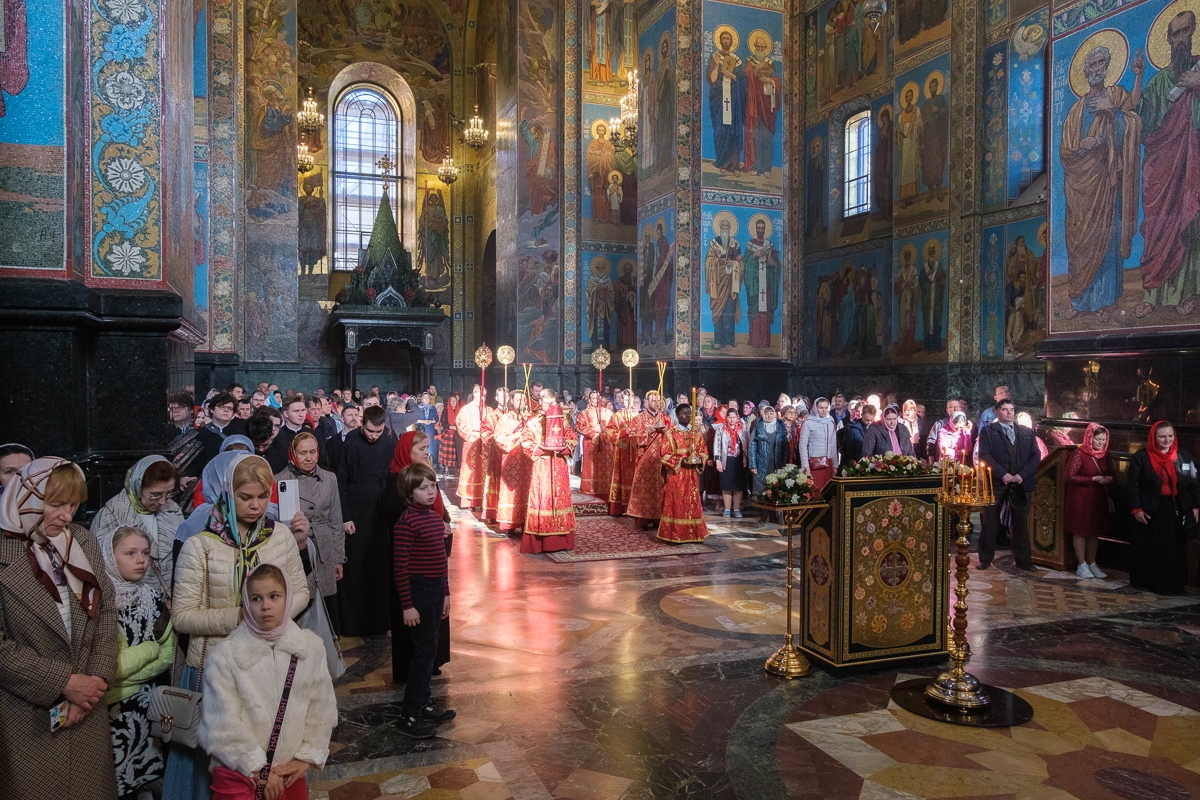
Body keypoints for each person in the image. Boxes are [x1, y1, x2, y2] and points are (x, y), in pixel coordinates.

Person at [165, 454, 309, 800]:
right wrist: (240, 618)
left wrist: (276, 612)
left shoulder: (280, 537)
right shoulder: (201, 545)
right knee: (225, 771)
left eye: (263, 496)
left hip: (270, 666)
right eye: (246, 497)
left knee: (274, 760)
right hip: (216, 669)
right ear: (227, 493)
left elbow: (301, 591)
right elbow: (182, 616)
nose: (256, 506)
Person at [0, 458, 119, 800]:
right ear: (25, 499)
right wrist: (65, 683)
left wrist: (93, 684)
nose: (67, 517)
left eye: (73, 505)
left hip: (86, 714)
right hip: (23, 719)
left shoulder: (82, 541)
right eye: (56, 505)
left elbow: (107, 613)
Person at [197, 563, 337, 799]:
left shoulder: (309, 648)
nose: (266, 606)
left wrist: (307, 756)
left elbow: (321, 707)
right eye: (256, 599)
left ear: (288, 597)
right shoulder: (225, 657)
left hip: (289, 774)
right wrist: (258, 767)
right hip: (245, 775)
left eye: (274, 596)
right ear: (246, 603)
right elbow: (222, 722)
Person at [101, 526, 175, 800]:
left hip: (147, 708)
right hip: (110, 710)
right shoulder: (99, 603)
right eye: (130, 553)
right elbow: (110, 667)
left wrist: (131, 678)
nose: (141, 560)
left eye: (145, 552)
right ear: (109, 556)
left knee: (146, 778)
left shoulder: (151, 599)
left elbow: (168, 653)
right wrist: (148, 649)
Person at [391, 463, 456, 738]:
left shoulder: (433, 516)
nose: (430, 492)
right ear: (409, 491)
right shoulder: (406, 522)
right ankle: (409, 713)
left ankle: (424, 703)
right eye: (423, 488)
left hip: (435, 590)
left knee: (430, 649)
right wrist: (407, 605)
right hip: (418, 592)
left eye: (433, 486)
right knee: (423, 653)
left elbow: (441, 561)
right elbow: (400, 567)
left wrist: (446, 593)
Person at [382, 432, 452, 683]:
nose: (426, 452)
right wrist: (434, 528)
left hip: (433, 575)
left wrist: (443, 525)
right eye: (420, 448)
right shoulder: (398, 481)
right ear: (406, 452)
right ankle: (414, 695)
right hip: (414, 577)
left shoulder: (425, 477)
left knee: (430, 639)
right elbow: (399, 523)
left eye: (427, 447)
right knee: (416, 640)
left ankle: (428, 672)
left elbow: (437, 512)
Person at [334, 405, 397, 637]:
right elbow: (340, 483)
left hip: (380, 515)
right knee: (356, 568)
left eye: (378, 432)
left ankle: (380, 622)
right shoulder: (350, 444)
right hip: (356, 513)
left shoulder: (389, 444)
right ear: (362, 424)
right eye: (370, 430)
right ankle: (353, 624)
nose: (373, 436)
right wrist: (345, 516)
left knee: (379, 568)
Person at [276, 433, 345, 630]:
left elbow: (336, 520)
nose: (308, 458)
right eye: (303, 453)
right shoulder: (279, 480)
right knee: (301, 601)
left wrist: (338, 558)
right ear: (293, 454)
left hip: (324, 548)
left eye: (312, 452)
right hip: (296, 547)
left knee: (325, 606)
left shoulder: (329, 479)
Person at [92, 455, 183, 592]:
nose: (163, 501)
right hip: (131, 604)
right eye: (155, 494)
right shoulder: (110, 516)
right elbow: (98, 569)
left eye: (169, 493)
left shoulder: (173, 509)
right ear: (137, 486)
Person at [1128, 421, 1199, 594]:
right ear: (1154, 437)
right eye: (1162, 436)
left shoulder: (1183, 455)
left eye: (1170, 436)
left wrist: (1196, 506)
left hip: (1177, 507)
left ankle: (1174, 584)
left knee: (1176, 548)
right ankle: (1154, 583)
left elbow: (1193, 483)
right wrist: (1137, 509)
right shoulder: (1141, 456)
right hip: (1152, 509)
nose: (1167, 440)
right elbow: (1133, 485)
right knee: (1155, 547)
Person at [976, 399, 1041, 571]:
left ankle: (1023, 561)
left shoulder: (1026, 432)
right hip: (996, 483)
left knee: (1020, 522)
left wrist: (1021, 475)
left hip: (1021, 483)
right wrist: (1003, 474)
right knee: (990, 521)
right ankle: (985, 559)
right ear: (996, 412)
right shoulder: (988, 431)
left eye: (1011, 409)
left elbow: (1036, 456)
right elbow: (985, 455)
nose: (1009, 413)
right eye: (1004, 410)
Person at [520, 389, 577, 553]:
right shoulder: (533, 422)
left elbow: (572, 439)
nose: (548, 406)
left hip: (559, 465)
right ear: (540, 402)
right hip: (542, 467)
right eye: (545, 403)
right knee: (543, 501)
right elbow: (526, 442)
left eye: (551, 403)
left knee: (559, 500)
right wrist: (540, 447)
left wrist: (565, 448)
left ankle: (562, 541)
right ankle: (540, 542)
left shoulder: (563, 422)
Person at [1065, 423, 1114, 580]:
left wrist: (1109, 479)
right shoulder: (1079, 454)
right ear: (1089, 438)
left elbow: (1112, 472)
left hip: (1097, 498)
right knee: (1081, 530)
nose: (1100, 443)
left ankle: (1092, 563)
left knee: (1094, 531)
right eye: (1097, 439)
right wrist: (1093, 479)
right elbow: (1070, 476)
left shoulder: (1106, 454)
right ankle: (1082, 564)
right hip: (1080, 497)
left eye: (1103, 440)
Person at [658, 404, 710, 543]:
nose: (687, 416)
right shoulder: (670, 434)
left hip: (692, 476)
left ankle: (694, 534)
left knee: (692, 504)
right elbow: (664, 455)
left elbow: (704, 453)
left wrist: (699, 460)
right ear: (677, 415)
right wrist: (682, 460)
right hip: (676, 476)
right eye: (683, 413)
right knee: (677, 505)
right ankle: (673, 534)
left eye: (689, 413)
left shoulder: (697, 434)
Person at [627, 391, 672, 529]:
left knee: (661, 488)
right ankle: (643, 519)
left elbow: (675, 438)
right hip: (644, 461)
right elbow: (631, 435)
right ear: (646, 402)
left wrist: (667, 432)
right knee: (644, 489)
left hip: (662, 460)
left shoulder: (667, 419)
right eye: (653, 401)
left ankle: (659, 519)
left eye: (659, 401)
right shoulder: (639, 419)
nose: (657, 403)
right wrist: (648, 431)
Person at [494, 391, 532, 534]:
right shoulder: (504, 418)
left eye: (523, 400)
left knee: (525, 491)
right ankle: (509, 524)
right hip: (510, 461)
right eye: (518, 400)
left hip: (526, 461)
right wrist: (517, 436)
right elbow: (499, 438)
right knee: (510, 491)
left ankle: (524, 523)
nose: (520, 403)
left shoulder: (529, 418)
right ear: (511, 400)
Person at [748, 404, 790, 513]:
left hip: (777, 463)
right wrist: (753, 465)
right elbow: (752, 446)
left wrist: (784, 464)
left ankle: (774, 514)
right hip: (761, 463)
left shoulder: (780, 426)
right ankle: (763, 514)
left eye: (771, 413)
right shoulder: (759, 426)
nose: (769, 416)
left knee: (776, 488)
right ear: (763, 415)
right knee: (762, 489)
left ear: (775, 414)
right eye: (766, 413)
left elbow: (786, 448)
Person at [605, 390, 640, 515]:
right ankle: (619, 508)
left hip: (636, 451)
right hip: (622, 451)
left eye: (630, 399)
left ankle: (634, 508)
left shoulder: (638, 415)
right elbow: (610, 433)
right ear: (621, 400)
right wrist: (625, 432)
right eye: (625, 399)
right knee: (620, 477)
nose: (628, 402)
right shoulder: (617, 416)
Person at [577, 390, 614, 500]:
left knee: (606, 465)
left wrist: (605, 429)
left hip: (605, 443)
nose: (595, 400)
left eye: (597, 398)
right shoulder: (584, 413)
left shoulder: (607, 412)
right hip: (591, 444)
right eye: (593, 398)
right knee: (591, 466)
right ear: (589, 399)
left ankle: (605, 487)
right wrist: (593, 430)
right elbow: (579, 427)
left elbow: (614, 427)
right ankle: (590, 487)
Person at [456, 387, 487, 511]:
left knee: (482, 471)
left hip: (484, 444)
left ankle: (480, 499)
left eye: (484, 395)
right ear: (474, 395)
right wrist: (475, 428)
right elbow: (460, 424)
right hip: (470, 444)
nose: (483, 398)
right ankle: (468, 500)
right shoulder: (465, 409)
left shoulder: (488, 410)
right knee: (469, 470)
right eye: (480, 395)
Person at [713, 399, 746, 517]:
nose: (732, 419)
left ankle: (736, 508)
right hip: (726, 460)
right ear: (726, 418)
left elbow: (746, 444)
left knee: (738, 485)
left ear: (737, 417)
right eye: (729, 417)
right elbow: (716, 445)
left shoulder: (743, 428)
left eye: (734, 417)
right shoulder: (721, 428)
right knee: (726, 485)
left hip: (739, 460)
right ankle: (727, 508)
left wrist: (747, 460)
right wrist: (718, 460)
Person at [799, 397, 838, 489]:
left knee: (827, 490)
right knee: (814, 489)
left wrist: (835, 465)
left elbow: (833, 444)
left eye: (825, 408)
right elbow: (803, 445)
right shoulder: (808, 422)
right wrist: (805, 465)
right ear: (816, 408)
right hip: (814, 462)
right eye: (821, 408)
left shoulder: (830, 422)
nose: (824, 410)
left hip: (828, 462)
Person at [480, 388, 506, 523]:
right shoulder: (491, 415)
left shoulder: (513, 415)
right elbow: (485, 433)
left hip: (510, 455)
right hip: (496, 453)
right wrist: (496, 439)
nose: (504, 399)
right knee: (495, 482)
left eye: (506, 397)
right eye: (501, 397)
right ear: (496, 398)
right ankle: (493, 512)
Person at [437, 393, 460, 476]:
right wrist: (451, 427)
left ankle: (458, 468)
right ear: (449, 402)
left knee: (458, 450)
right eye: (451, 401)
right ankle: (446, 468)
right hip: (448, 431)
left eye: (454, 401)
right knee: (447, 448)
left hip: (457, 433)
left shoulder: (459, 410)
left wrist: (456, 428)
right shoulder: (446, 411)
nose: (453, 402)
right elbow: (443, 423)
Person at [417, 393, 439, 469]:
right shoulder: (418, 408)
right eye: (425, 397)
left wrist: (430, 421)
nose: (426, 399)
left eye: (427, 397)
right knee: (421, 445)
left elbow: (436, 419)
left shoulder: (432, 408)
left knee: (429, 446)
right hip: (421, 428)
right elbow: (415, 420)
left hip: (430, 428)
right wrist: (423, 421)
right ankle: (420, 464)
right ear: (422, 399)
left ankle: (429, 464)